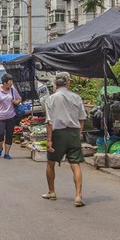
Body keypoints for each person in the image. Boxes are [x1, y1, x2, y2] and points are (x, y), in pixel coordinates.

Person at [43, 71, 88, 207]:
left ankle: (52, 192)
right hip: (73, 133)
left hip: (58, 134)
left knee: (51, 163)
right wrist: (78, 133)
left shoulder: (50, 99)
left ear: (56, 83)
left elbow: (49, 121)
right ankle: (78, 196)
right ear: (68, 82)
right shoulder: (76, 97)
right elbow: (82, 119)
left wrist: (49, 140)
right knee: (76, 164)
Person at [0, 73, 22, 159]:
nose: (11, 83)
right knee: (0, 134)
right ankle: (0, 148)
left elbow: (19, 98)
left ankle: (7, 153)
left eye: (12, 81)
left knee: (9, 135)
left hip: (11, 116)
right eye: (10, 81)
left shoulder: (13, 90)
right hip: (0, 117)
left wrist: (16, 102)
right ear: (4, 83)